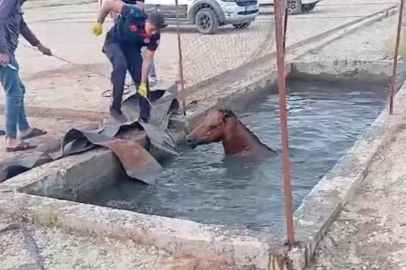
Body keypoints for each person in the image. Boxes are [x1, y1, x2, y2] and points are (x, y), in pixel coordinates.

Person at [92, 0, 164, 123]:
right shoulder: (134, 14)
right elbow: (108, 3)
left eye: (155, 31)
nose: (152, 33)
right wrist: (99, 23)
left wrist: (142, 83)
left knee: (141, 76)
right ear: (146, 21)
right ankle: (115, 109)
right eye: (151, 29)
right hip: (114, 41)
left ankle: (145, 115)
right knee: (120, 66)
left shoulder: (155, 37)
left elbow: (148, 60)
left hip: (131, 48)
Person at [0, 0, 51, 152]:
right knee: (14, 92)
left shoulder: (15, 4)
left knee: (19, 89)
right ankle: (11, 140)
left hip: (8, 51)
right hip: (4, 53)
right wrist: (2, 51)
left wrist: (39, 45)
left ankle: (24, 129)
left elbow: (22, 26)